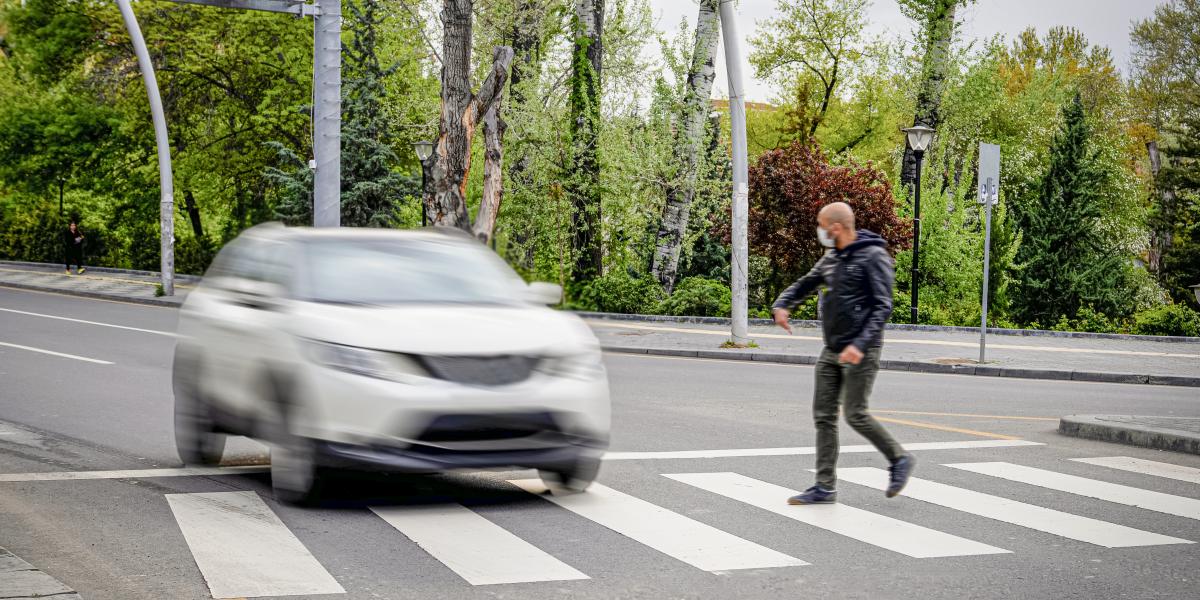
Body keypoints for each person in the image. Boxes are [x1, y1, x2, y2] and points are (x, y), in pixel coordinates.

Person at [771, 201, 913, 505]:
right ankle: (824, 487)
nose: (819, 230)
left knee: (855, 413)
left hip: (861, 350)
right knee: (823, 416)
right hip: (832, 348)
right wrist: (783, 304)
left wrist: (859, 346)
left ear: (836, 227)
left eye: (822, 225)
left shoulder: (874, 256)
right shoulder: (832, 257)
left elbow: (882, 307)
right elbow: (806, 283)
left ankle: (898, 459)